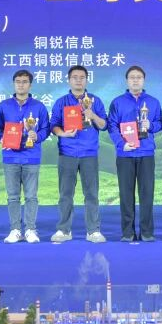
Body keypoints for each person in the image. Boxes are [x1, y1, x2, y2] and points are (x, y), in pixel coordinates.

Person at [49, 65, 108, 243]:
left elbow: (104, 125)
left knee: (91, 194)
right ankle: (64, 230)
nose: (78, 80)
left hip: (89, 153)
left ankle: (93, 231)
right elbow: (53, 125)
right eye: (74, 77)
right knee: (65, 194)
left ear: (87, 80)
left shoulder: (95, 101)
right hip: (67, 152)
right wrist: (63, 134)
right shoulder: (61, 102)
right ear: (69, 80)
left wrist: (92, 114)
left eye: (82, 77)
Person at [0, 70, 51, 244]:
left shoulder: (39, 107)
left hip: (32, 157)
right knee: (13, 196)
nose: (21, 84)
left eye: (25, 81)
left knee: (31, 196)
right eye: (18, 81)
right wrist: (1, 138)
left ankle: (30, 229)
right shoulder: (4, 106)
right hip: (11, 157)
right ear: (14, 84)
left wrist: (37, 136)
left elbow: (46, 128)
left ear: (30, 85)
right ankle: (15, 230)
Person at [108, 65, 162, 242]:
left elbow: (160, 123)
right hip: (125, 154)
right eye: (132, 77)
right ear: (127, 81)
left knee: (147, 194)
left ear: (144, 80)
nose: (135, 80)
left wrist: (151, 126)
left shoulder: (153, 102)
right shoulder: (117, 102)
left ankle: (146, 232)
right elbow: (112, 126)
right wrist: (121, 144)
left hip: (146, 153)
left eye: (139, 77)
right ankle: (128, 232)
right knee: (126, 195)